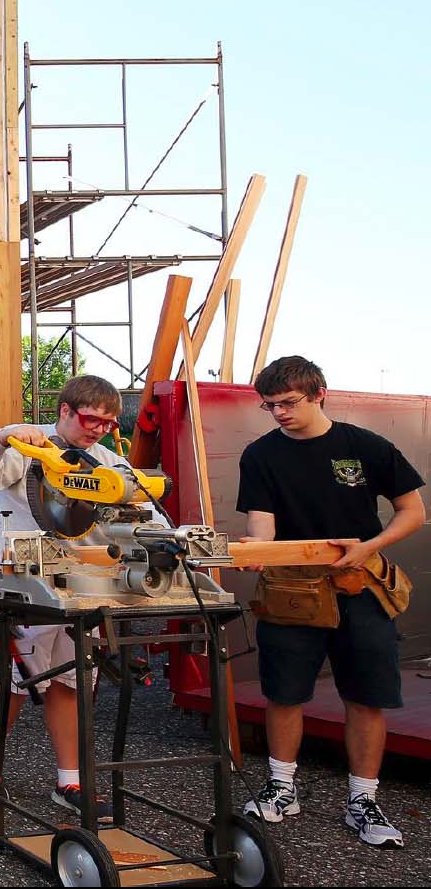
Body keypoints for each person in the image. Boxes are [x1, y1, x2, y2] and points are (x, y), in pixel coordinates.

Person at [237, 356, 422, 849]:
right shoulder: (260, 455)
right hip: (291, 590)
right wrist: (255, 552)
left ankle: (363, 799)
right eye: (270, 405)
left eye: (288, 403)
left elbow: (412, 511)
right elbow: (262, 524)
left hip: (359, 583)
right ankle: (281, 788)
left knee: (366, 694)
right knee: (284, 691)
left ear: (320, 393)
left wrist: (370, 547)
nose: (278, 412)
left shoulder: (363, 446)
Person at [0, 374, 147, 822]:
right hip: (23, 578)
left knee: (73, 680)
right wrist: (4, 436)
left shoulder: (105, 461)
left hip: (83, 582)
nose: (99, 429)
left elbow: (140, 510)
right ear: (64, 411)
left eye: (108, 423)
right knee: (17, 677)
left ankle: (70, 780)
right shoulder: (25, 449)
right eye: (90, 419)